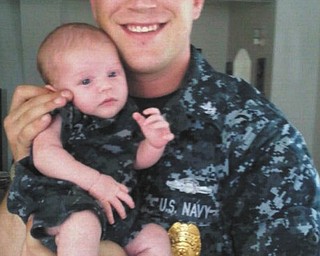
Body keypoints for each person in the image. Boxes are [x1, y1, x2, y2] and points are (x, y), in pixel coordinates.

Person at [2, 0, 320, 255]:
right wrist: (24, 161)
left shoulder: (260, 130)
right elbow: (12, 246)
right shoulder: (51, 113)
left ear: (196, 3)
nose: (141, 3)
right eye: (87, 81)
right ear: (94, 3)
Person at [7, 22, 173, 256]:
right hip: (69, 208)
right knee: (83, 225)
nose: (105, 86)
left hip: (116, 215)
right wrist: (95, 182)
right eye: (86, 81)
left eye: (113, 74)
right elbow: (46, 156)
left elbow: (134, 160)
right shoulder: (63, 115)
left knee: (155, 236)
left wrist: (154, 143)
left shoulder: (125, 115)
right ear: (55, 91)